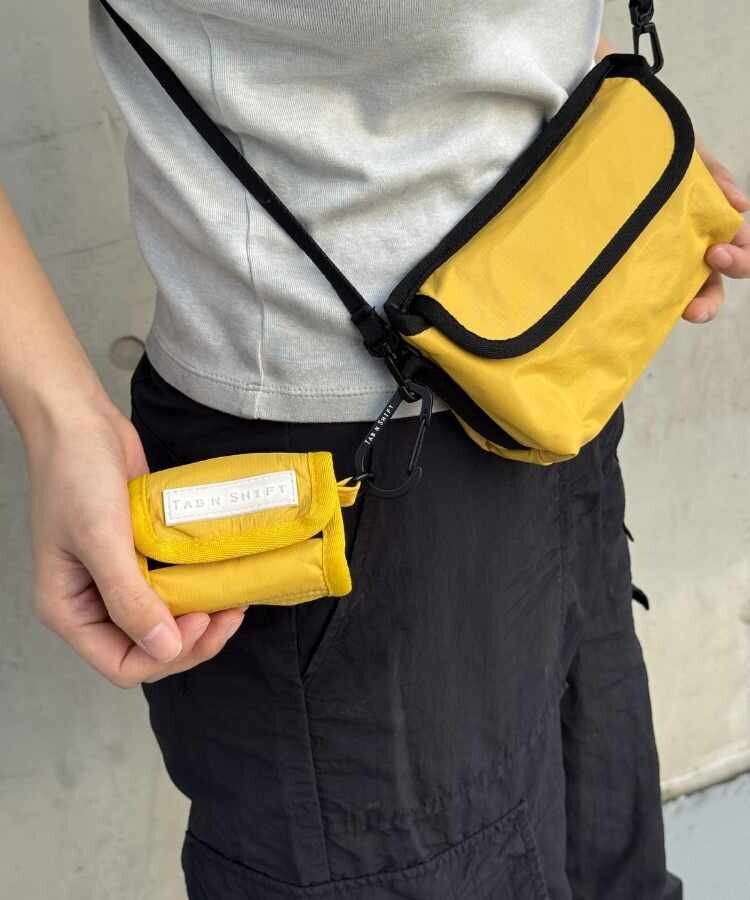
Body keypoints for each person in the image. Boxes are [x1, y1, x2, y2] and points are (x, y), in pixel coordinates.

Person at [1, 1, 748, 897]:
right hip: (332, 474)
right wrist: (60, 417)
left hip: (555, 375)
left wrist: (602, 136)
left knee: (606, 860)